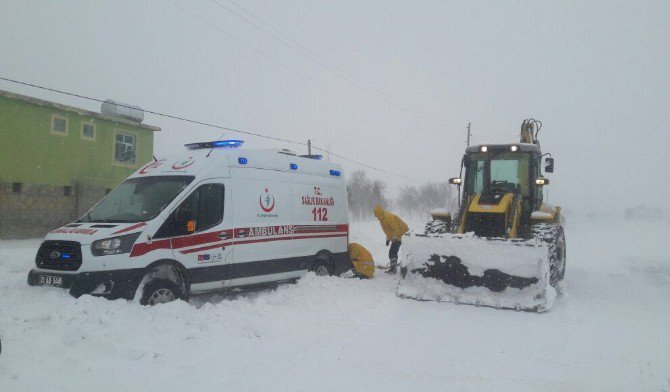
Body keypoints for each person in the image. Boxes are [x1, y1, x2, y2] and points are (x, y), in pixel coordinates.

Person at [373, 204, 409, 274]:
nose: (375, 216)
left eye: (376, 214)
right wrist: (388, 239)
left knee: (392, 252)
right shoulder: (382, 218)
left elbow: (395, 228)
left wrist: (395, 238)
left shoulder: (387, 218)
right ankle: (393, 268)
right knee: (393, 252)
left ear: (379, 213)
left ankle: (393, 269)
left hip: (402, 233)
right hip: (398, 234)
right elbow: (389, 230)